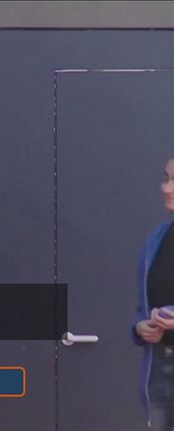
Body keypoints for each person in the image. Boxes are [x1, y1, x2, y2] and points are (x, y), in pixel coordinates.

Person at [133, 157, 174, 431]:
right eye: (166, 178)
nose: (167, 188)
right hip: (160, 370)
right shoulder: (157, 239)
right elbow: (143, 306)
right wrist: (140, 327)